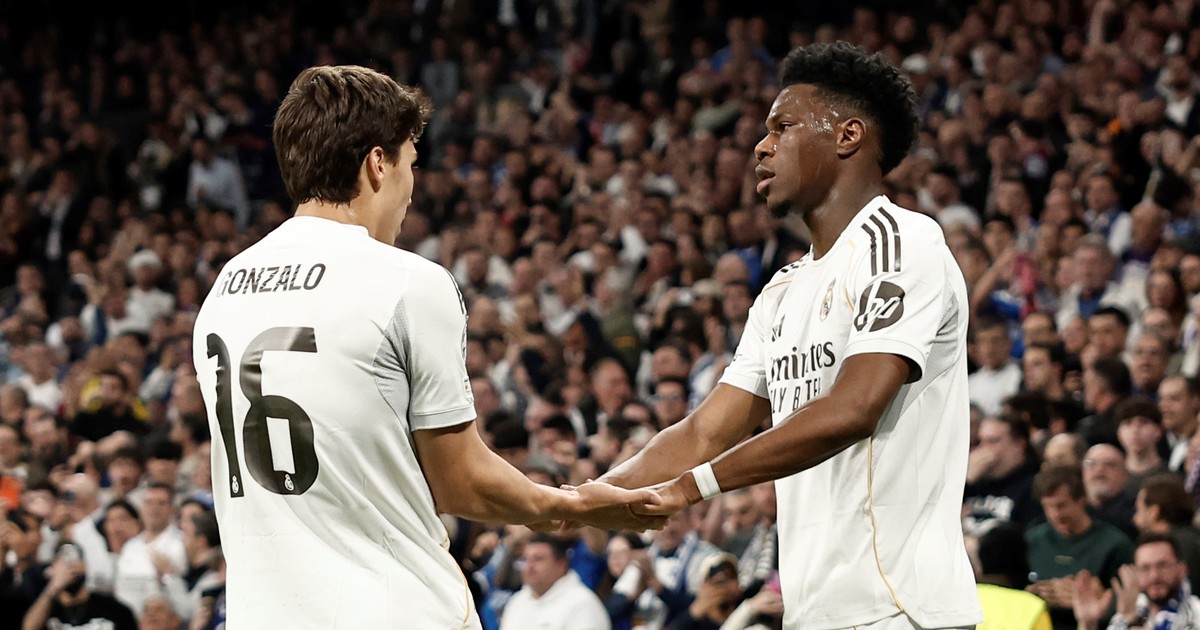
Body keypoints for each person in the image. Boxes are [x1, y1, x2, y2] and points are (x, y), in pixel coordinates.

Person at [191, 65, 661, 629]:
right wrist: (570, 505)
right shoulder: (406, 282)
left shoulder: (224, 289)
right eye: (410, 164)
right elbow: (461, 481)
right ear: (377, 163)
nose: (412, 190)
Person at [604, 42, 982, 629]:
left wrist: (690, 488)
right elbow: (705, 430)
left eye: (783, 127)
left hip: (900, 607)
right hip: (815, 613)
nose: (762, 146)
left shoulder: (903, 242)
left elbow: (854, 408)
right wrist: (595, 494)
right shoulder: (782, 290)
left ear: (848, 136)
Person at [1073, 534, 1200, 630]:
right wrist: (1088, 624)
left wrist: (1132, 620)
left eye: (1162, 565)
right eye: (1145, 568)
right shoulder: (1130, 609)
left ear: (1182, 570)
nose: (1154, 576)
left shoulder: (1196, 613)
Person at [498, 534, 611, 630]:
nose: (529, 566)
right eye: (525, 559)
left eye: (538, 559)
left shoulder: (583, 603)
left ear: (562, 564)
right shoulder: (516, 601)